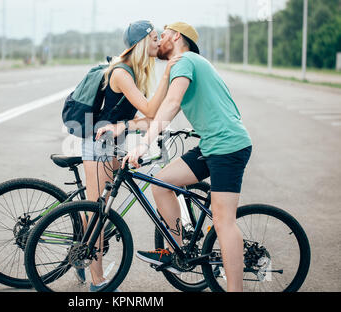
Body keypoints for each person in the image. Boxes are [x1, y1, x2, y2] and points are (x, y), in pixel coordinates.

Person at [122, 22, 252, 292]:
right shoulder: (184, 64)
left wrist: (143, 146)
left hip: (228, 147)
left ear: (176, 36)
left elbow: (172, 104)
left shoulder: (185, 60)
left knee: (223, 221)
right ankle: (174, 250)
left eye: (164, 35)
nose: (159, 41)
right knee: (161, 182)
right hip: (211, 145)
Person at [82, 20, 180, 291]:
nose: (159, 42)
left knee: (98, 205)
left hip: (114, 143)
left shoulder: (135, 72)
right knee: (99, 213)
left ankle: (81, 248)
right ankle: (97, 281)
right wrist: (167, 74)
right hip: (99, 145)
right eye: (155, 38)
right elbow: (149, 108)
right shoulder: (121, 73)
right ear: (141, 42)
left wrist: (138, 126)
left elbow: (147, 116)